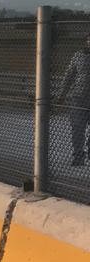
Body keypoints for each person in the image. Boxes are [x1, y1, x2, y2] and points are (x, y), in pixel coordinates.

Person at [57, 31, 90, 166]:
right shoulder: (78, 55)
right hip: (79, 98)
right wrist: (62, 94)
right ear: (86, 41)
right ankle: (78, 157)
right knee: (77, 128)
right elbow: (69, 76)